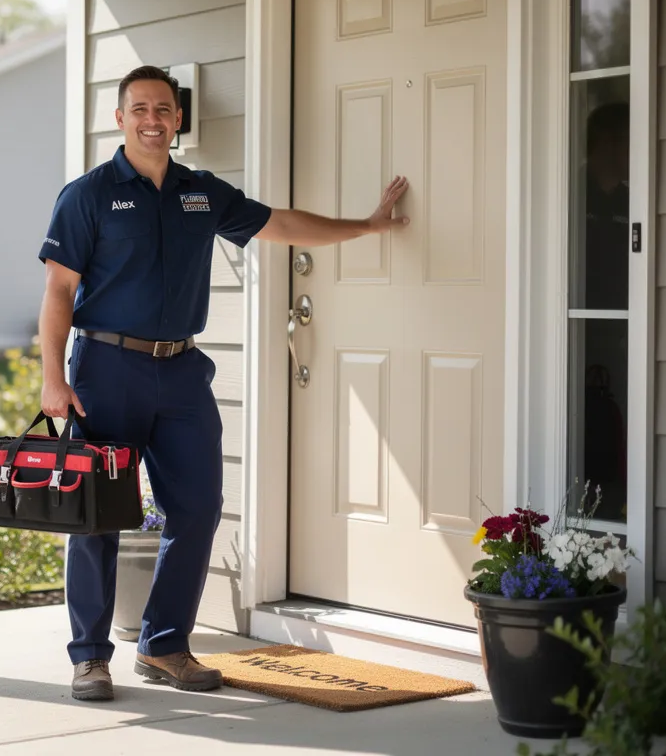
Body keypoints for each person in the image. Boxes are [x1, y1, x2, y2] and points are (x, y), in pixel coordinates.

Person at [36, 65, 410, 702]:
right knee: (96, 515)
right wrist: (51, 377)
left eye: (164, 109)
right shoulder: (88, 195)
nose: (153, 120)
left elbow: (283, 225)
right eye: (140, 109)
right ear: (120, 118)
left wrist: (367, 226)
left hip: (181, 373)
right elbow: (59, 290)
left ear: (178, 118)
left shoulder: (201, 193)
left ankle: (164, 646)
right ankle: (90, 659)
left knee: (199, 507)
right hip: (106, 370)